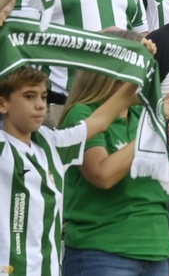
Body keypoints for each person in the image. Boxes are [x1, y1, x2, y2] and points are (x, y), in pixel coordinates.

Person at [60, 30, 169, 276]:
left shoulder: (147, 115)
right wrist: (154, 125)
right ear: (115, 70)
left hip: (157, 251)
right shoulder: (83, 113)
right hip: (102, 251)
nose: (148, 77)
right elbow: (103, 175)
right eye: (142, 67)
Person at [0, 63, 140, 276]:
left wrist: (137, 66)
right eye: (29, 97)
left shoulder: (52, 142)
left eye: (43, 97)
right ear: (3, 104)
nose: (40, 105)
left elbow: (99, 121)